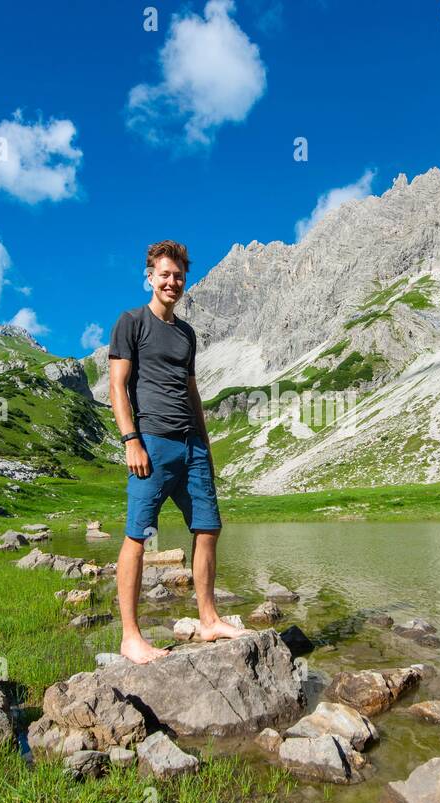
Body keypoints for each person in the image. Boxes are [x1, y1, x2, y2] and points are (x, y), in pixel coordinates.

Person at [106, 240, 250, 664]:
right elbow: (117, 386)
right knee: (138, 536)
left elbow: (191, 391)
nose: (172, 281)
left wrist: (204, 445)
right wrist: (131, 440)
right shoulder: (130, 322)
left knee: (208, 528)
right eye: (164, 274)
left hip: (192, 447)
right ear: (149, 276)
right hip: (151, 442)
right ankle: (130, 637)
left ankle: (208, 619)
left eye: (178, 275)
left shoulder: (186, 334)